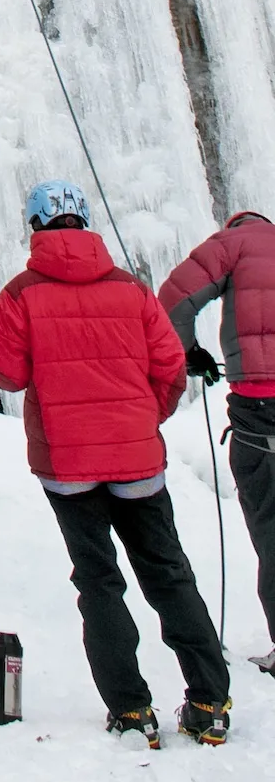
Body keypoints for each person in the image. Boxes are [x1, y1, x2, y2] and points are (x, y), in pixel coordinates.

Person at [0, 178, 229, 748]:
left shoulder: (20, 293)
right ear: (86, 222)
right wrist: (144, 420)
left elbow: (8, 374)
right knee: (168, 573)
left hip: (67, 469)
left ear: (35, 228)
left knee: (98, 581)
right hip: (138, 458)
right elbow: (170, 367)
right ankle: (210, 702)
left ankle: (132, 712)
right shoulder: (133, 290)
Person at [159, 207, 275, 674]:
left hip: (258, 412)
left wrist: (190, 354)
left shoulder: (230, 246)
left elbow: (172, 301)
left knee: (271, 528)